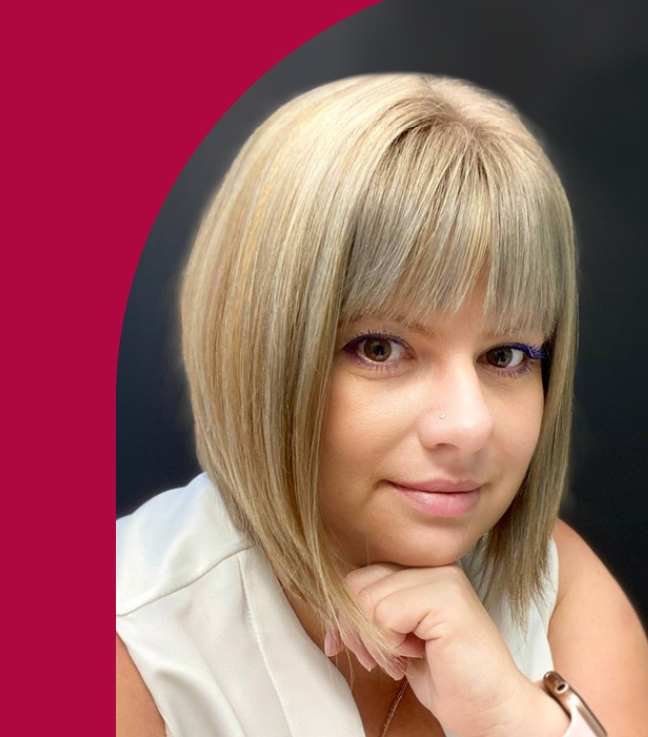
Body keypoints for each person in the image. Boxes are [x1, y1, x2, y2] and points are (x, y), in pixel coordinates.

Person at [116, 74, 648, 736]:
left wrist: (513, 721)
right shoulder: (129, 643)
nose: (469, 425)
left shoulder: (556, 584)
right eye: (380, 348)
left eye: (507, 355)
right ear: (258, 351)